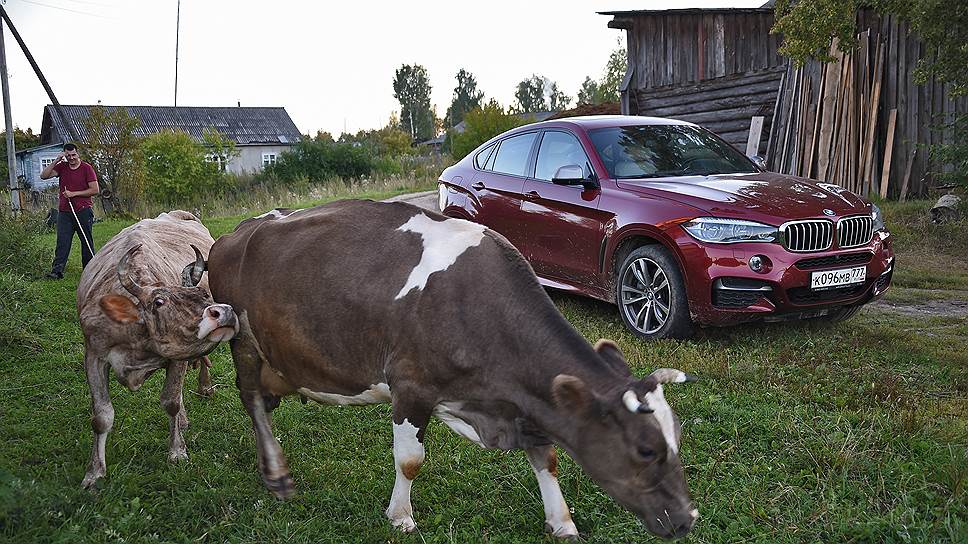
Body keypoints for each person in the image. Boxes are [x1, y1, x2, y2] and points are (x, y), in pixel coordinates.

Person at [41, 143, 99, 279]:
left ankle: (89, 270)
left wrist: (74, 194)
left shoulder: (86, 168)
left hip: (83, 210)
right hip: (65, 212)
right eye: (68, 156)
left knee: (86, 241)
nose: (71, 158)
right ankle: (57, 271)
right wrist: (56, 160)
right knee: (62, 242)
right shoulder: (62, 167)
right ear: (64, 155)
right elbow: (44, 176)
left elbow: (95, 190)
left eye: (73, 155)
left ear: (77, 153)